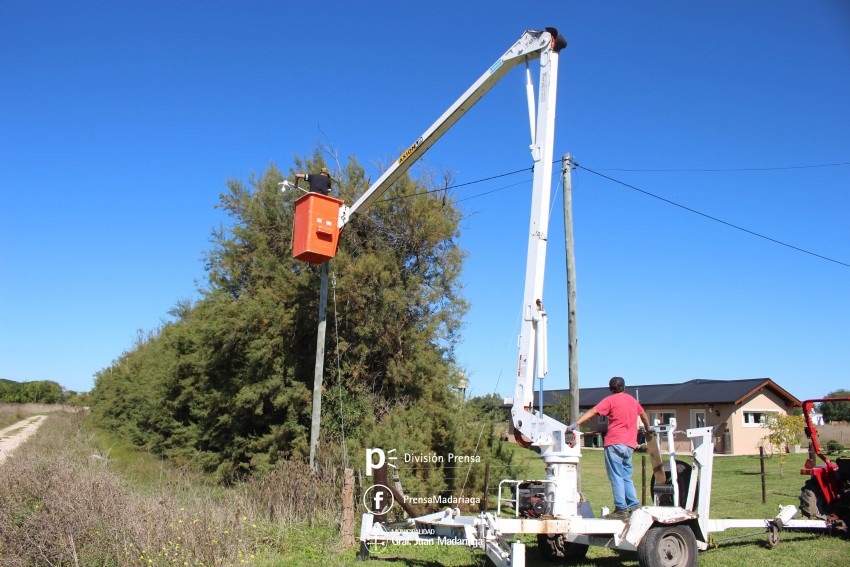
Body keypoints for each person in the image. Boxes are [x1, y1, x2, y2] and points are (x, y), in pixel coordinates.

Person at [567, 376, 651, 520]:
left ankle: (621, 509)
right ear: (624, 387)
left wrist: (575, 424)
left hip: (614, 443)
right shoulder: (632, 400)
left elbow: (593, 411)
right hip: (629, 444)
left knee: (616, 476)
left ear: (611, 389)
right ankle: (634, 506)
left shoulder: (610, 400)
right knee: (626, 476)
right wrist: (648, 429)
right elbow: (643, 415)